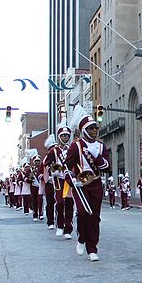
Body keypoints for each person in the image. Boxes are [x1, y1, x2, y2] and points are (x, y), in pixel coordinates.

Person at [65, 111, 109, 261]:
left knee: (94, 217)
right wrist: (72, 180)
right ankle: (81, 237)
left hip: (96, 183)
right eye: (91, 128)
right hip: (80, 184)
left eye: (96, 128)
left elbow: (107, 167)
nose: (95, 131)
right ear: (84, 130)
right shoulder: (76, 146)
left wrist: (96, 156)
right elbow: (67, 167)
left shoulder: (101, 146)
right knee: (83, 212)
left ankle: (92, 249)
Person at [45, 125, 74, 238]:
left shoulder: (72, 148)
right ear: (59, 137)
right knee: (60, 202)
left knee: (69, 203)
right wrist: (53, 170)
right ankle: (60, 226)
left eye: (67, 135)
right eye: (63, 135)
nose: (65, 137)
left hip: (69, 180)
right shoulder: (54, 151)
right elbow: (46, 164)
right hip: (58, 180)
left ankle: (68, 229)